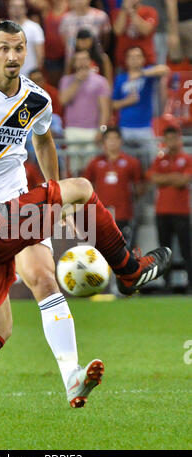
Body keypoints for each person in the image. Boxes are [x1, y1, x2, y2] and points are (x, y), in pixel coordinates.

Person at [0, 26, 171, 432]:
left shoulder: (30, 100)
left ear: (27, 52)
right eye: (3, 47)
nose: (12, 55)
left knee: (25, 295)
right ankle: (128, 271)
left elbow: (42, 144)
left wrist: (52, 198)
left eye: (19, 48)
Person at [146, 126, 192, 293]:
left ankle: (190, 285)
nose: (170, 142)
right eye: (168, 139)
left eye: (173, 138)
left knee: (186, 249)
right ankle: (166, 284)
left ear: (179, 139)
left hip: (181, 212)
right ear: (164, 140)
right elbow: (152, 178)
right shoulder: (160, 159)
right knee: (164, 250)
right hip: (162, 211)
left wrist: (164, 179)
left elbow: (184, 180)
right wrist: (174, 177)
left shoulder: (186, 158)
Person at [83, 126, 144, 250]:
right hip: (101, 214)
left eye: (115, 138)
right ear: (104, 142)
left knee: (123, 251)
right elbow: (86, 186)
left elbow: (139, 187)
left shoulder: (131, 162)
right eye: (109, 139)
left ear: (121, 141)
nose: (112, 142)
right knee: (101, 251)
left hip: (123, 213)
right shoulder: (94, 163)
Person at [112, 45, 169, 169]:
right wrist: (127, 101)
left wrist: (141, 73)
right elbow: (113, 104)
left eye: (138, 57)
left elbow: (164, 69)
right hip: (125, 128)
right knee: (123, 165)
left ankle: (150, 188)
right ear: (126, 60)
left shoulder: (148, 74)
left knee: (153, 162)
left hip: (144, 128)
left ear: (143, 60)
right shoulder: (121, 79)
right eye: (131, 57)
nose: (134, 60)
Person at [59, 48, 111, 175]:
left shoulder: (100, 81)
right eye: (79, 59)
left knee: (91, 169)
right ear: (74, 63)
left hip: (93, 131)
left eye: (85, 59)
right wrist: (77, 81)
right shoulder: (66, 80)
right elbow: (63, 100)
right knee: (74, 169)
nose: (82, 62)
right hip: (72, 130)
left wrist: (102, 129)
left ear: (90, 61)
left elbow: (105, 109)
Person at [59, 0, 111, 69]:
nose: (79, 1)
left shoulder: (101, 16)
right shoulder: (65, 18)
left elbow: (106, 39)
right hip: (73, 62)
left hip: (96, 61)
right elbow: (64, 41)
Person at [112, 0, 158, 70]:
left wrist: (131, 12)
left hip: (146, 64)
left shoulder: (150, 11)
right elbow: (118, 31)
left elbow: (145, 30)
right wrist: (124, 10)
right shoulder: (117, 12)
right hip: (123, 64)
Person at [8, 0, 45, 77]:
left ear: (25, 9)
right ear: (9, 9)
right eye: (13, 7)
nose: (17, 9)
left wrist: (36, 74)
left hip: (29, 75)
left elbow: (40, 54)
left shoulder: (35, 27)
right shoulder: (3, 28)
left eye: (20, 7)